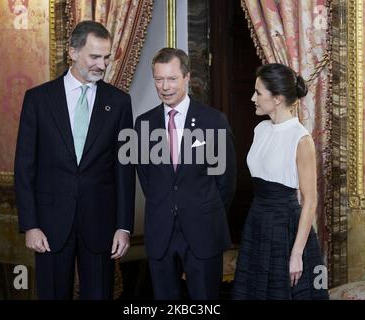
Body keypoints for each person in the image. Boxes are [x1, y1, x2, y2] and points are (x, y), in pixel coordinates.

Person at [14, 20, 135, 300]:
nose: (101, 65)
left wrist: (123, 226)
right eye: (94, 56)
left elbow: (125, 170)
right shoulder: (38, 100)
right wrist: (30, 225)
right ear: (73, 52)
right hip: (49, 226)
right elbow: (24, 167)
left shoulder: (119, 102)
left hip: (101, 225)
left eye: (106, 57)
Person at [134, 48, 237, 299]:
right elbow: (147, 177)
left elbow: (226, 181)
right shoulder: (143, 124)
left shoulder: (214, 121)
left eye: (171, 79)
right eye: (159, 79)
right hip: (161, 230)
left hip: (203, 230)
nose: (165, 86)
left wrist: (201, 208)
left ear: (187, 77)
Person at [232, 63, 329, 300]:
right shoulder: (260, 130)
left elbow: (310, 201)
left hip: (287, 228)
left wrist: (296, 253)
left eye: (259, 93)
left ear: (277, 98)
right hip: (257, 222)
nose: (253, 97)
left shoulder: (301, 138)